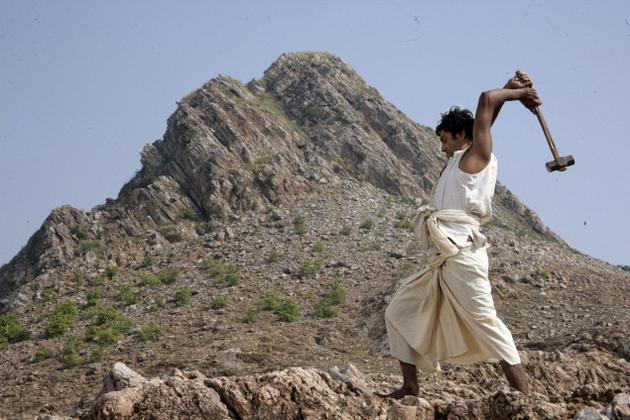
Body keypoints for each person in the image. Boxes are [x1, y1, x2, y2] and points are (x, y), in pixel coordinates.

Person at [378, 72, 541, 399]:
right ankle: (410, 388)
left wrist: (516, 93)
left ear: (461, 136)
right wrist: (512, 89)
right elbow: (485, 120)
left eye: (445, 139)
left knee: (486, 322)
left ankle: (524, 394)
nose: (442, 147)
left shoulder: (477, 159)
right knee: (397, 311)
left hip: (464, 255)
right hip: (442, 258)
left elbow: (484, 102)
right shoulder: (457, 162)